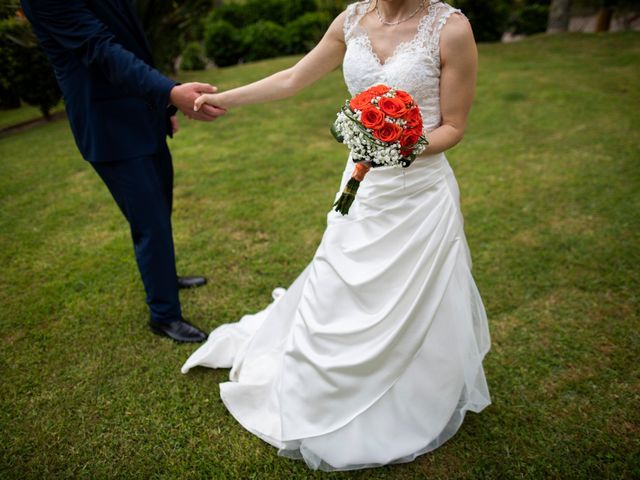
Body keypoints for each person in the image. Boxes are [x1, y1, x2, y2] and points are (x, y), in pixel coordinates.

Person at [182, 0, 491, 471]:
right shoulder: (351, 19)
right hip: (361, 188)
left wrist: (400, 146)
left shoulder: (450, 29)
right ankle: (319, 388)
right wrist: (227, 97)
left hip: (417, 195)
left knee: (411, 299)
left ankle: (411, 394)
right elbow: (292, 78)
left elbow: (454, 126)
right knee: (335, 282)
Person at [20, 0, 226, 343]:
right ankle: (163, 315)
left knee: (160, 207)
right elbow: (101, 50)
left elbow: (130, 43)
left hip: (142, 113)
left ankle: (165, 276)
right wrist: (170, 93)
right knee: (150, 222)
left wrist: (161, 103)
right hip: (110, 128)